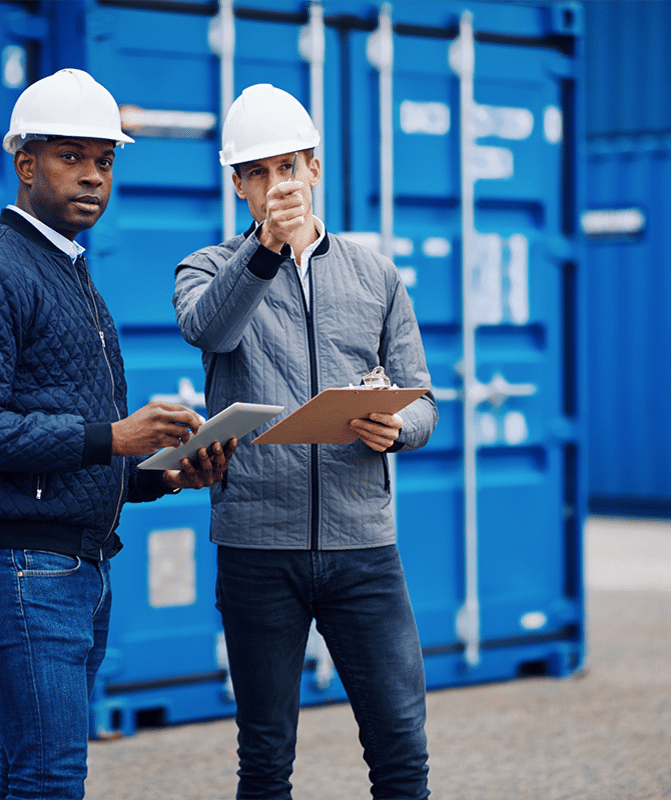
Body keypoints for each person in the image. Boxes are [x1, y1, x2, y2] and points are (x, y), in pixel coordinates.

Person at [0, 69, 235, 800]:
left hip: (72, 565)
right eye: (72, 157)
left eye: (106, 159)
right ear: (26, 163)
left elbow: (84, 446)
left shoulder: (65, 270)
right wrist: (113, 438)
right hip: (20, 565)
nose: (93, 176)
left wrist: (165, 472)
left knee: (35, 774)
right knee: (48, 778)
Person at [173, 83, 438, 800]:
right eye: (256, 173)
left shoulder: (375, 273)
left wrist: (398, 427)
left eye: (287, 167)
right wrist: (262, 252)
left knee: (401, 750)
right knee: (264, 758)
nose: (274, 186)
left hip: (365, 551)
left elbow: (423, 397)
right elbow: (211, 331)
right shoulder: (204, 269)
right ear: (237, 185)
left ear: (314, 169)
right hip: (258, 548)